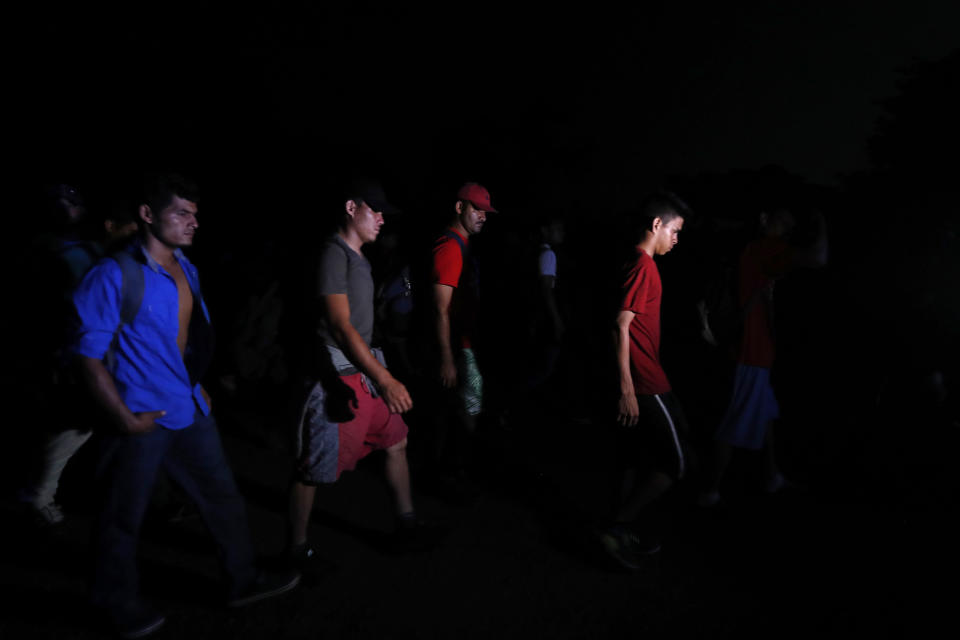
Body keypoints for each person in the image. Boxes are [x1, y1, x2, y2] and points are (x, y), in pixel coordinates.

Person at [72, 173, 299, 639]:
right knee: (121, 517)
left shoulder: (186, 267)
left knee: (222, 498)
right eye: (182, 213)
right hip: (140, 417)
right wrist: (122, 417)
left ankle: (242, 581)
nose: (193, 222)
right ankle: (111, 603)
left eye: (195, 214)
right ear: (147, 215)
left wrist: (196, 385)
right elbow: (86, 355)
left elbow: (187, 337)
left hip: (188, 409)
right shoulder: (114, 275)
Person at [287, 178, 428, 565]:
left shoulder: (361, 258)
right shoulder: (334, 254)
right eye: (375, 210)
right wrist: (384, 379)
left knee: (396, 441)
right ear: (352, 208)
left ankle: (407, 525)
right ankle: (296, 550)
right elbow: (339, 325)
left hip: (367, 368)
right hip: (337, 374)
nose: (382, 219)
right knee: (314, 468)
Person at [698, 207, 828, 506]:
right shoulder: (765, 249)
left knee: (766, 415)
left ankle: (771, 476)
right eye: (783, 219)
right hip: (751, 354)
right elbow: (818, 258)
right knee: (732, 424)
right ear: (766, 220)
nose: (788, 225)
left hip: (755, 351)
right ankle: (709, 491)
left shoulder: (755, 252)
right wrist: (821, 219)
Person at [600, 192, 692, 570]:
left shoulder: (641, 264)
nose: (676, 239)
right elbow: (619, 327)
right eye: (674, 230)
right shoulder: (643, 266)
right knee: (680, 462)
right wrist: (627, 390)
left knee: (636, 458)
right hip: (644, 384)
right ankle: (618, 528)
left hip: (649, 379)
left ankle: (616, 530)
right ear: (657, 225)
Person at [428, 182, 496, 483]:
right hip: (457, 345)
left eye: (486, 211)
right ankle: (453, 472)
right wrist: (446, 356)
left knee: (456, 408)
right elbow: (440, 308)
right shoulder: (450, 246)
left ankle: (448, 470)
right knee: (467, 407)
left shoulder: (463, 245)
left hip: (463, 342)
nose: (483, 215)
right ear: (459, 207)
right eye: (477, 209)